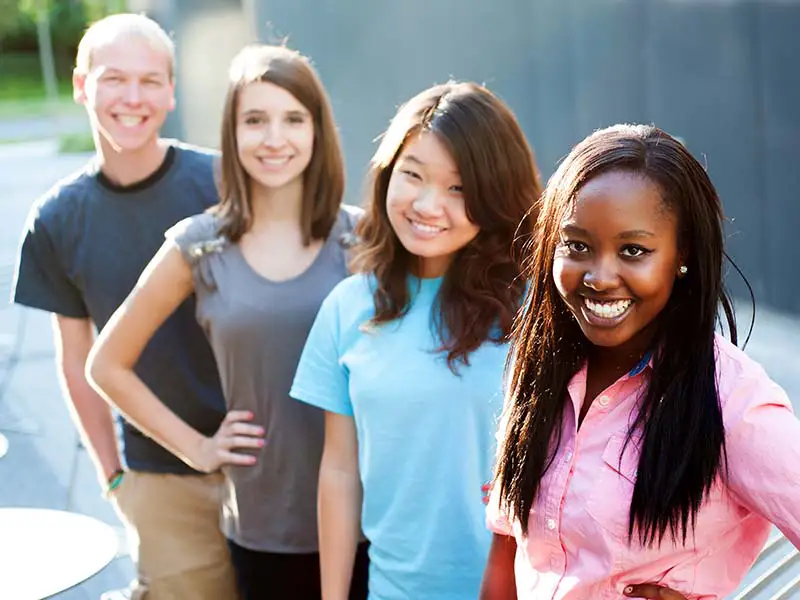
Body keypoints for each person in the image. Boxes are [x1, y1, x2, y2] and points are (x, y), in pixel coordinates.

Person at [87, 44, 369, 600]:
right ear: (232, 133)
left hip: (369, 518)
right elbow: (107, 364)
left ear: (318, 130)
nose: (274, 138)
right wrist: (198, 447)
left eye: (293, 119)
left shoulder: (360, 239)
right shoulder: (200, 245)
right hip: (263, 525)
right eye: (255, 120)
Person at [481, 124, 800, 600]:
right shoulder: (540, 367)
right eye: (577, 245)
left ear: (681, 255)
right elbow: (509, 552)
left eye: (634, 251)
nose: (599, 276)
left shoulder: (732, 403)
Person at [12, 13, 238, 599]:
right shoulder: (56, 219)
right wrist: (113, 475)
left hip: (261, 453)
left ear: (170, 93)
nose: (131, 98)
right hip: (159, 476)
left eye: (149, 81)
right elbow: (75, 358)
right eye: (114, 79)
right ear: (82, 86)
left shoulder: (223, 182)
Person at [290, 81, 542, 600]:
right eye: (413, 175)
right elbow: (339, 470)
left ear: (495, 195)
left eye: (459, 188)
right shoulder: (347, 307)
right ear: (387, 173)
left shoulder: (537, 310)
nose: (429, 205)